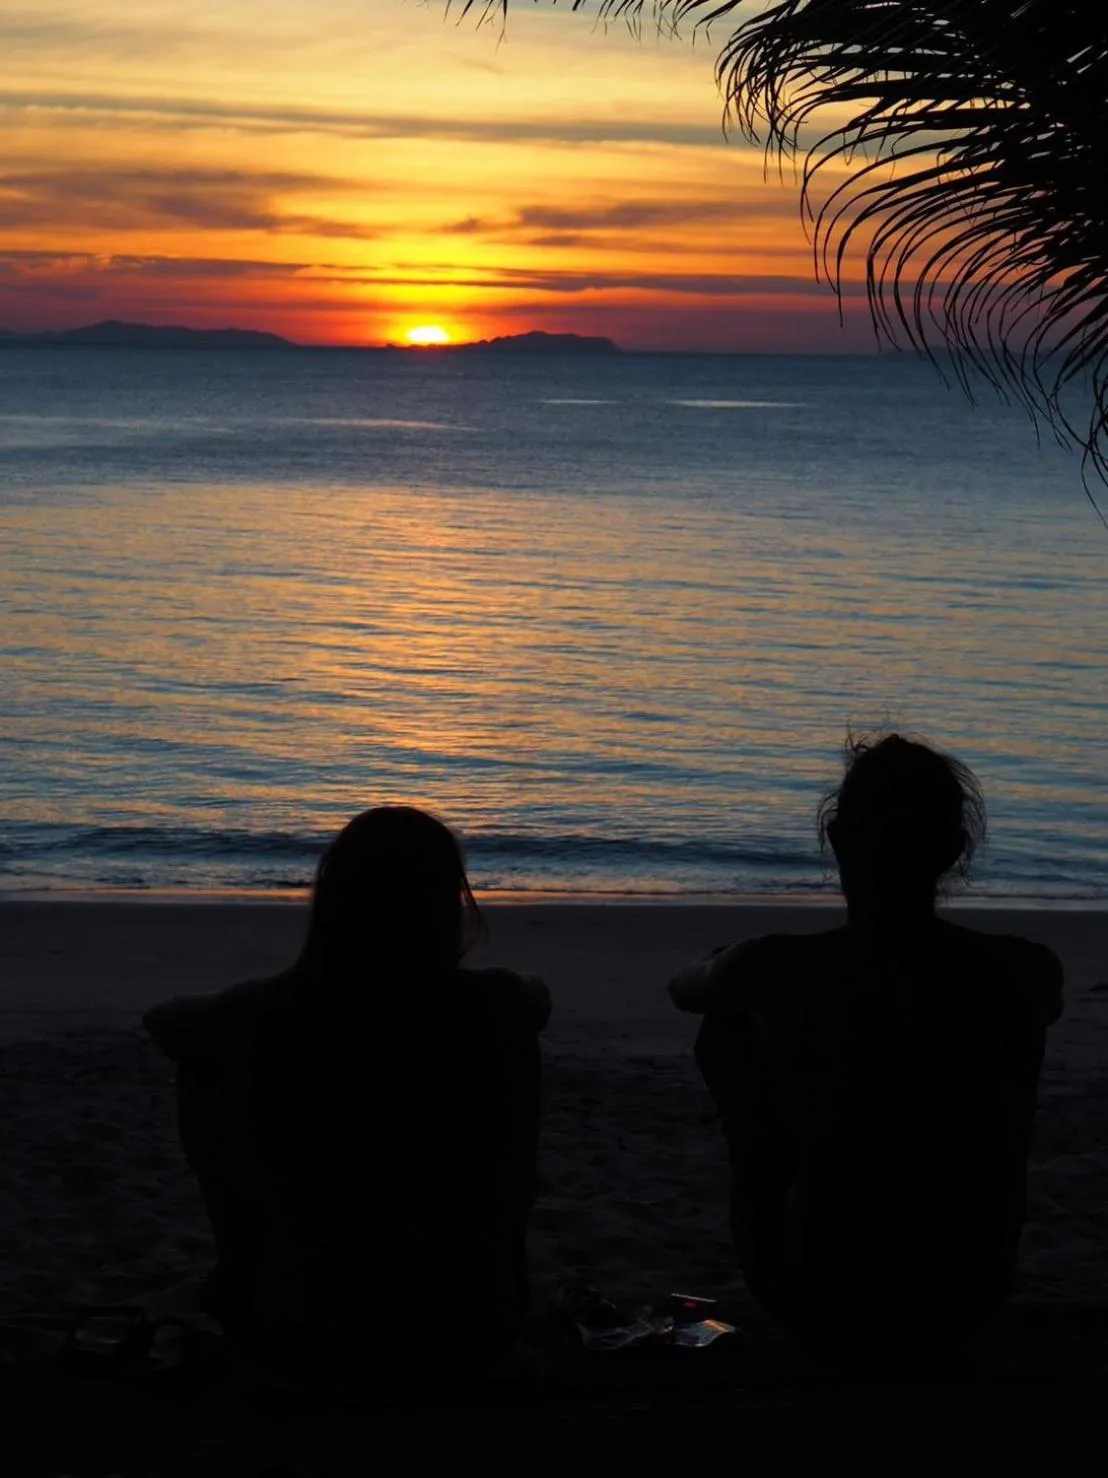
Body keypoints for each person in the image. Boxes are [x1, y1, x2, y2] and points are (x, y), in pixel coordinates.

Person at [670, 733, 1063, 1367]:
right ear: (954, 850)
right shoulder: (1025, 970)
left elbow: (686, 987)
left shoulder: (780, 967)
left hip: (821, 1300)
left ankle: (789, 1186)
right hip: (968, 1295)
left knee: (727, 1030)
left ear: (836, 839)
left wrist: (742, 972)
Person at [143, 805, 550, 1382]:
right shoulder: (495, 1003)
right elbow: (537, 1000)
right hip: (472, 1325)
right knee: (511, 1040)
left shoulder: (267, 1009)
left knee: (204, 1063)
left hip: (304, 1327)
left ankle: (243, 1262)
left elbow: (163, 1021)